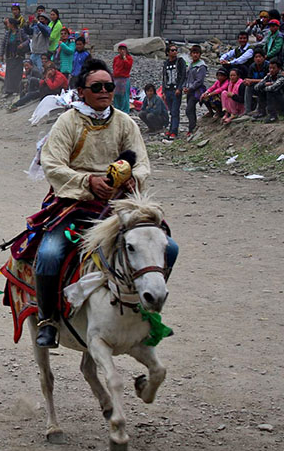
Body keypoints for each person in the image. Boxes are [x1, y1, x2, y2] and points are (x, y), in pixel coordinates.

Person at [30, 58, 177, 347]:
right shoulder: (67, 122)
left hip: (119, 205)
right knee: (48, 253)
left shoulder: (124, 121)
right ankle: (47, 320)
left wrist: (133, 179)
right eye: (96, 86)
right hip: (75, 203)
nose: (104, 91)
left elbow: (142, 162)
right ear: (81, 91)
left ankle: (145, 304)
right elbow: (52, 164)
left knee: (169, 247)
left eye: (109, 86)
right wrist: (88, 182)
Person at [181, 45, 208, 135]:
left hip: (196, 91)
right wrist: (184, 86)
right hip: (189, 91)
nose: (195, 55)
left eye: (197, 53)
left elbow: (199, 81)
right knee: (191, 110)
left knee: (189, 110)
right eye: (194, 53)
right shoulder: (191, 64)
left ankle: (192, 129)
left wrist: (190, 88)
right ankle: (192, 127)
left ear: (200, 54)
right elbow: (186, 77)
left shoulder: (201, 66)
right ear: (191, 54)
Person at [161, 44, 187, 139]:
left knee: (175, 111)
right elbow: (164, 77)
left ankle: (174, 131)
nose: (174, 52)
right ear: (168, 52)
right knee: (171, 111)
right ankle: (171, 129)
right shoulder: (166, 63)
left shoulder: (180, 62)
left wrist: (179, 88)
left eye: (175, 50)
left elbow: (183, 75)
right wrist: (163, 91)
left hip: (176, 90)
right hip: (168, 90)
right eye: (172, 50)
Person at [239, 49, 269, 120]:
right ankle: (247, 110)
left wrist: (251, 80)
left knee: (260, 86)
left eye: (260, 57)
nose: (258, 59)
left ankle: (259, 109)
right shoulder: (252, 67)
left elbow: (267, 79)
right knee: (247, 87)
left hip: (266, 86)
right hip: (255, 85)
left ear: (264, 57)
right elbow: (249, 78)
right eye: (256, 57)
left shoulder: (268, 65)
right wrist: (247, 82)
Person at [2, 18, 28, 98]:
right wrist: (1, 55)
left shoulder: (20, 32)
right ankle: (8, 90)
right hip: (10, 55)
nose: (7, 25)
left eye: (8, 23)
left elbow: (27, 40)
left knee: (17, 74)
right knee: (9, 73)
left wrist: (22, 45)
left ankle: (16, 90)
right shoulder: (7, 34)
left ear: (12, 24)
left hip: (18, 56)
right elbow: (3, 44)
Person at [112, 44, 133, 112]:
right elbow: (114, 67)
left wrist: (124, 58)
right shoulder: (116, 58)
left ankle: (125, 111)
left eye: (123, 49)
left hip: (124, 79)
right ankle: (117, 110)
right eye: (120, 49)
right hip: (116, 79)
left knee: (124, 96)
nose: (122, 51)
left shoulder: (129, 58)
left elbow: (128, 67)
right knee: (116, 95)